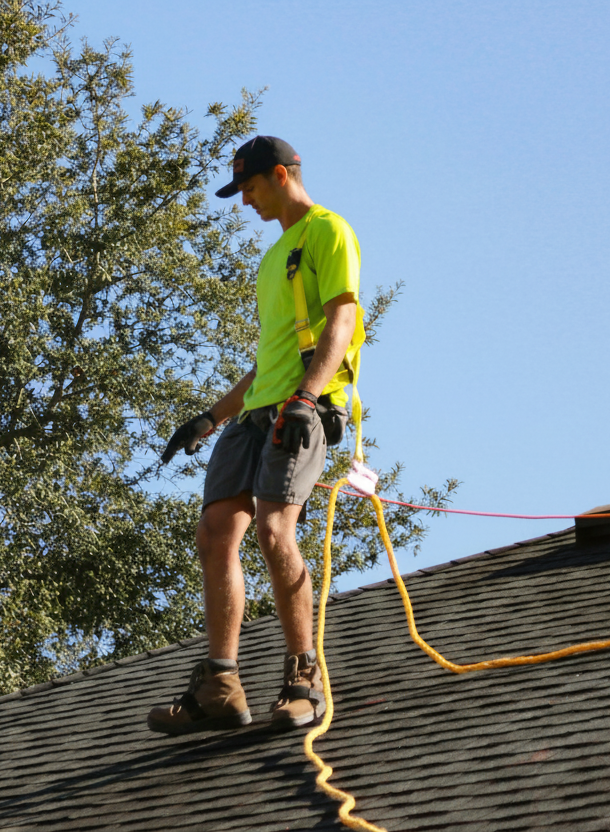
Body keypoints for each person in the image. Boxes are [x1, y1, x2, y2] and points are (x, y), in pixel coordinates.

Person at [149, 136, 363, 734]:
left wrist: (308, 397)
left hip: (300, 411)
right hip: (254, 414)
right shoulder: (275, 258)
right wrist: (211, 417)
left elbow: (341, 321)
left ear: (280, 175)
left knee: (274, 531)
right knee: (216, 530)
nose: (244, 202)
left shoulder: (328, 231)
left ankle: (304, 679)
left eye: (249, 188)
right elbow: (270, 356)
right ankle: (221, 683)